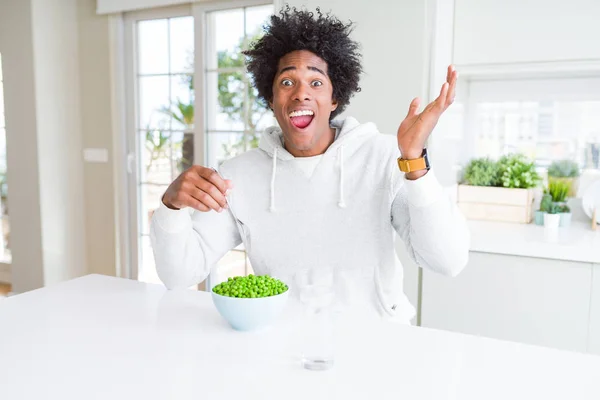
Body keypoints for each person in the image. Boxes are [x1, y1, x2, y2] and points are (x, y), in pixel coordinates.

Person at [150, 6, 470, 323]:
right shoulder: (238, 176)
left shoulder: (386, 157)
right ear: (271, 99)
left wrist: (414, 160)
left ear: (334, 99)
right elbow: (179, 275)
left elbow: (448, 260)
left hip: (376, 344)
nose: (301, 93)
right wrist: (171, 206)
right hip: (281, 346)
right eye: (287, 83)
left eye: (316, 83)